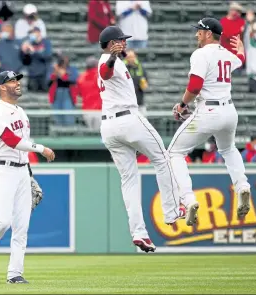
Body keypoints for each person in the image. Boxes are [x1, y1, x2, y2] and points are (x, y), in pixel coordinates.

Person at [98, 26, 180, 253]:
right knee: (162, 158)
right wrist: (114, 55)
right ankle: (172, 211)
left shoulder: (119, 61)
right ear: (111, 42)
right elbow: (105, 72)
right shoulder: (107, 61)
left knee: (129, 180)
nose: (124, 43)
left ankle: (139, 233)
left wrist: (120, 57)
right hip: (128, 119)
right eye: (120, 40)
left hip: (109, 126)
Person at [0, 70, 55, 284]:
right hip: (2, 170)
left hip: (21, 170)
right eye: (12, 81)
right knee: (3, 220)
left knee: (21, 226)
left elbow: (21, 146)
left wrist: (28, 171)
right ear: (1, 87)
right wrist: (40, 148)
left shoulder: (21, 111)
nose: (17, 83)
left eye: (17, 80)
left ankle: (14, 273)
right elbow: (11, 140)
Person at [168, 18, 251, 227]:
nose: (196, 34)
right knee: (229, 149)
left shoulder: (200, 54)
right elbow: (240, 60)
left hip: (209, 111)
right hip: (229, 112)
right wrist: (241, 51)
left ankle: (188, 200)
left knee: (174, 154)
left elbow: (195, 86)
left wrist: (181, 104)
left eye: (199, 31)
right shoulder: (227, 54)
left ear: (207, 33)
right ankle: (242, 186)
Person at [48, 54, 79, 126]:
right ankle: (59, 132)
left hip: (68, 94)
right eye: (62, 61)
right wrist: (56, 72)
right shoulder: (54, 69)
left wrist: (63, 74)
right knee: (57, 116)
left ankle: (70, 132)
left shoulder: (72, 69)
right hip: (56, 94)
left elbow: (74, 79)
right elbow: (48, 81)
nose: (64, 62)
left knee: (68, 114)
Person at [77, 56, 102, 130]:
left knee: (91, 133)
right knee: (100, 136)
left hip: (87, 111)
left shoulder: (81, 77)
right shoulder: (100, 76)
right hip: (100, 110)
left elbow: (79, 94)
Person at [124, 49, 148, 114]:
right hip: (126, 104)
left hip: (139, 103)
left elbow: (145, 86)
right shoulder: (122, 68)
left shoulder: (141, 68)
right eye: (128, 57)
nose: (130, 59)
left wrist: (143, 84)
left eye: (132, 57)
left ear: (135, 57)